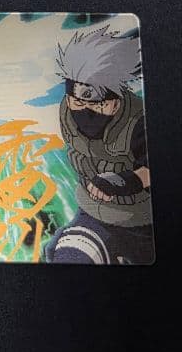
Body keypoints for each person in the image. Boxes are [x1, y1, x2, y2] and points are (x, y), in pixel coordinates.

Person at [45, 26, 154, 264]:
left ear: (116, 100)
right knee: (66, 254)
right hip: (94, 214)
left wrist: (122, 181)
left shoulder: (138, 121)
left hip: (143, 222)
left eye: (98, 105)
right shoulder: (67, 111)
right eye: (78, 102)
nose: (86, 112)